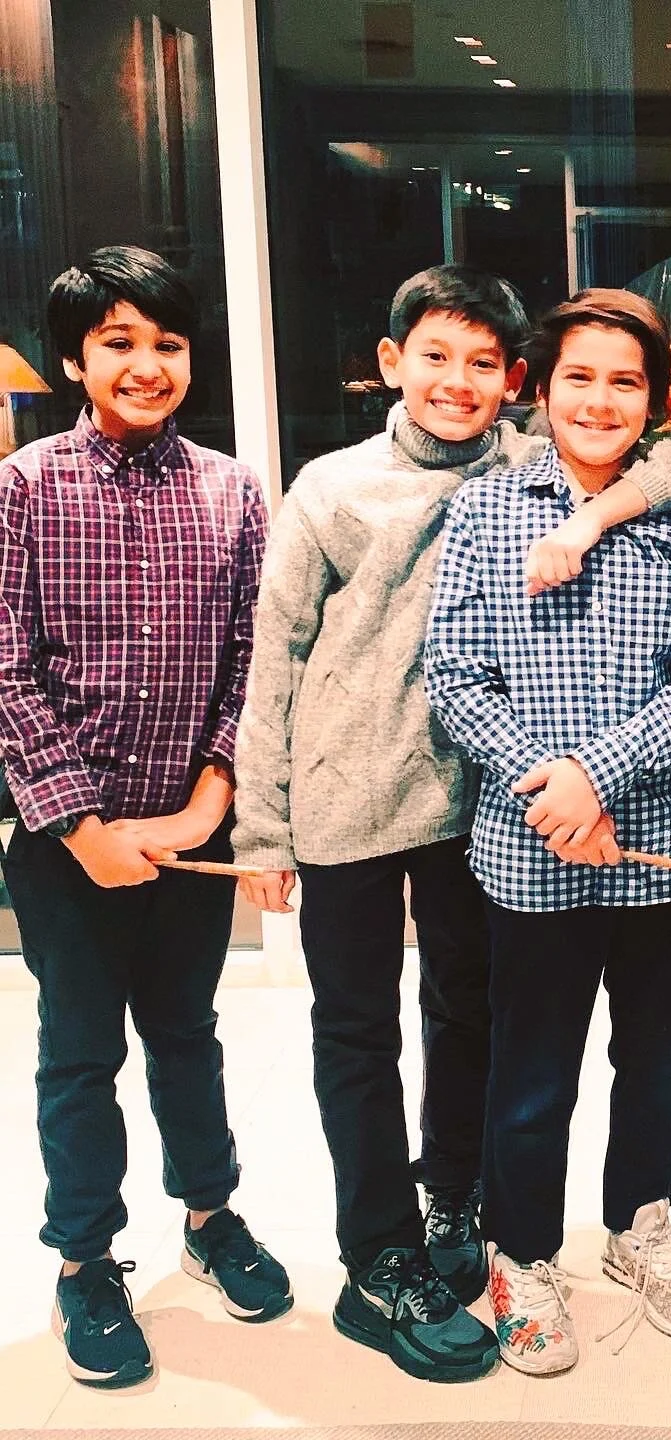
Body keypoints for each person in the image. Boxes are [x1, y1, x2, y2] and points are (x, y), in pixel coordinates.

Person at [232, 264, 671, 1382]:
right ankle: (378, 1254)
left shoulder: (526, 466)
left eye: (483, 363)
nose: (458, 381)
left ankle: (454, 1199)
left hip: (472, 805)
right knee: (357, 1033)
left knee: (469, 1018)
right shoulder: (332, 487)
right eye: (435, 357)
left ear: (514, 380)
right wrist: (262, 828)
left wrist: (598, 511)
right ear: (391, 363)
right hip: (349, 799)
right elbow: (274, 657)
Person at [425, 288, 671, 1376]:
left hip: (666, 847)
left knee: (655, 1061)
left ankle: (640, 1226)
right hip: (528, 849)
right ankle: (523, 1254)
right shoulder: (485, 511)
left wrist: (596, 775)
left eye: (625, 382)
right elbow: (455, 676)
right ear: (541, 389)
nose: (600, 401)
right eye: (579, 378)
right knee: (532, 1071)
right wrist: (547, 786)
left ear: (656, 401)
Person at [0, 246, 291, 1389]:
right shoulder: (24, 489)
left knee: (186, 1034)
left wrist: (209, 802)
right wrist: (84, 830)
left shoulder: (232, 490)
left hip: (190, 830)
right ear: (76, 359)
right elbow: (5, 670)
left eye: (167, 343)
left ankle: (210, 1218)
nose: (147, 364)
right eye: (118, 342)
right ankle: (85, 1261)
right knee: (79, 1053)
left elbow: (252, 660)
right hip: (63, 842)